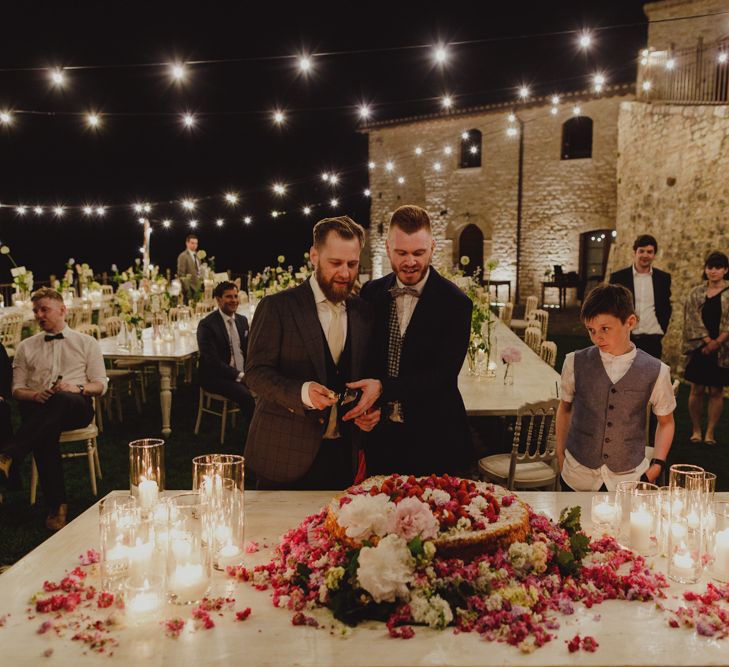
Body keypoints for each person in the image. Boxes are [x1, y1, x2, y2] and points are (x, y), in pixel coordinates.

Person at [244, 216, 382, 490]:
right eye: (335, 263)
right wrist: (302, 392)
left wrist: (371, 408)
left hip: (343, 456)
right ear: (314, 256)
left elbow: (365, 373)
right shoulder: (277, 307)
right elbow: (255, 374)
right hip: (283, 455)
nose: (345, 273)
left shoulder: (364, 312)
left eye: (352, 264)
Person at [358, 204, 472, 476]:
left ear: (432, 247)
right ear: (387, 248)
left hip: (435, 438)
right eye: (402, 253)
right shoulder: (370, 292)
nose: (410, 261)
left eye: (418, 252)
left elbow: (441, 377)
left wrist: (382, 388)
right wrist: (366, 407)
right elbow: (365, 358)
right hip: (381, 440)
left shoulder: (456, 303)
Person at [0, 288, 107, 530]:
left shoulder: (86, 342)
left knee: (60, 401)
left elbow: (100, 385)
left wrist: (76, 387)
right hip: (39, 407)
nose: (39, 315)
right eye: (36, 310)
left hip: (76, 407)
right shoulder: (26, 347)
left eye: (44, 309)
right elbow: (16, 389)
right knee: (45, 432)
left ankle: (9, 455)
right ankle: (57, 507)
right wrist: (36, 395)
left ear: (62, 310)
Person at [556, 283, 676, 491]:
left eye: (605, 328)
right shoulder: (574, 362)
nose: (597, 337)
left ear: (630, 322)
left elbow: (666, 422)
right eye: (591, 330)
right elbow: (564, 409)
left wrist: (657, 465)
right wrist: (560, 456)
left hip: (629, 480)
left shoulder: (656, 370)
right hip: (577, 476)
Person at [682, 251, 729, 446]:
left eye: (718, 267)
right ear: (705, 269)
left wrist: (717, 342)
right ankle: (696, 429)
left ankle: (710, 432)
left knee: (716, 391)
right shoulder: (696, 293)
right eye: (710, 267)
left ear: (725, 270)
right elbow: (691, 317)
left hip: (722, 349)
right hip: (699, 347)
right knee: (697, 389)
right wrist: (707, 340)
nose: (713, 271)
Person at [196, 280, 254, 420]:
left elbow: (248, 350)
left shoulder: (242, 320)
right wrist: (241, 376)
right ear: (218, 299)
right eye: (229, 296)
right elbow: (213, 362)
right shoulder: (207, 325)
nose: (233, 300)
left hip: (241, 372)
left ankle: (269, 428)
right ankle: (252, 436)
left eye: (235, 296)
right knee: (245, 395)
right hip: (216, 376)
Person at [610, 234, 672, 360]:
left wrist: (661, 328)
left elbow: (666, 307)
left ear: (654, 254)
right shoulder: (618, 278)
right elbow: (612, 308)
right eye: (641, 251)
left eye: (649, 252)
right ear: (635, 252)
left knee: (651, 379)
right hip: (626, 339)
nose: (645, 255)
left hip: (653, 338)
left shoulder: (663, 278)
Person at [176, 233, 201, 301]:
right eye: (192, 243)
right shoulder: (183, 256)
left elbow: (198, 271)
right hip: (189, 290)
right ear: (187, 243)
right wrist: (187, 290)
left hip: (198, 288)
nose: (194, 245)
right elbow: (181, 274)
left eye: (196, 243)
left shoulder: (198, 256)